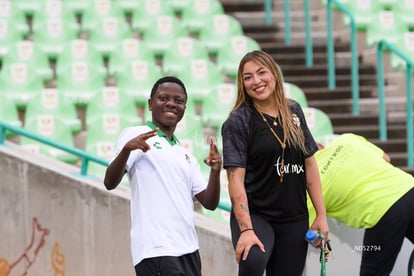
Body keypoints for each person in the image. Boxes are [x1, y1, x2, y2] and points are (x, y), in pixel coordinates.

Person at [221, 50, 329, 276]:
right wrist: (247, 229)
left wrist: (321, 215)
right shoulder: (238, 121)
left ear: (275, 75)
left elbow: (309, 164)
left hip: (294, 217)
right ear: (242, 83)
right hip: (257, 214)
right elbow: (235, 179)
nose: (256, 81)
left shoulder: (294, 110)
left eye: (261, 72)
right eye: (248, 76)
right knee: (253, 260)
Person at [104, 76, 222, 276]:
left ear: (184, 107)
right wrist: (126, 150)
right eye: (163, 98)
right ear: (150, 104)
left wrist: (216, 171)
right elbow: (109, 182)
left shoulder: (185, 155)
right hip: (156, 250)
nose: (171, 104)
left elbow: (209, 203)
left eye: (179, 101)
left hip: (189, 251)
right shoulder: (136, 134)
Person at [308, 133, 414, 276]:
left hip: (381, 211)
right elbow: (386, 158)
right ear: (319, 145)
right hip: (408, 187)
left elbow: (313, 235)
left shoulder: (310, 187)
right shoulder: (348, 139)